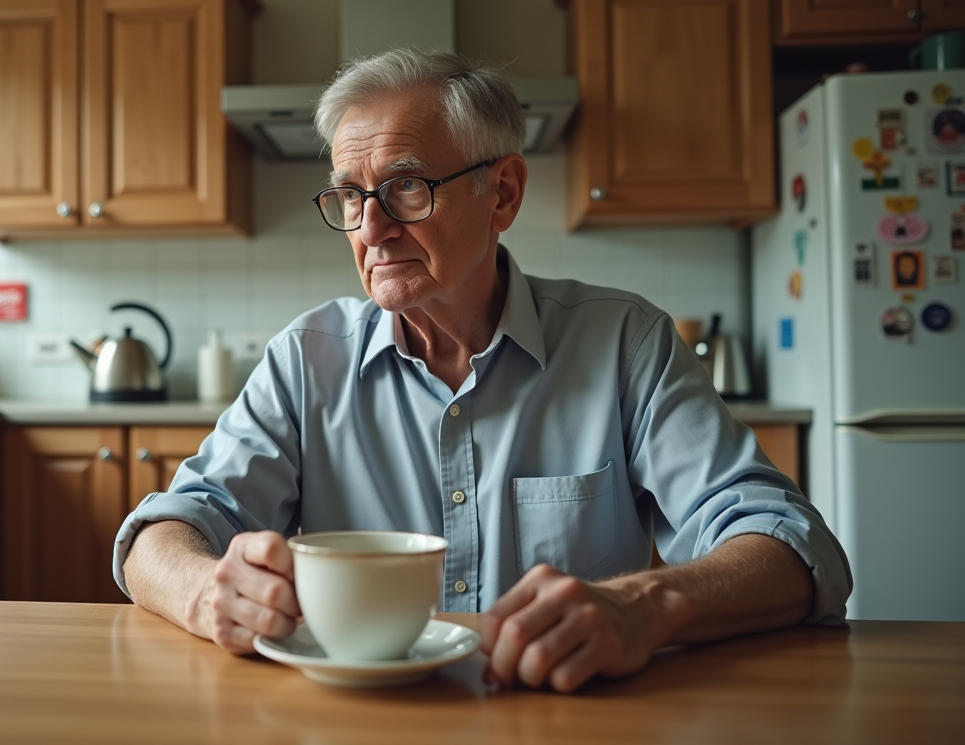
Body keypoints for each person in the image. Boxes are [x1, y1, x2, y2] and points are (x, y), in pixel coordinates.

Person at [116, 49, 851, 694]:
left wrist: (644, 606)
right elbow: (164, 531)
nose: (370, 230)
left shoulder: (624, 343)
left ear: (501, 193)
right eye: (349, 195)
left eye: (405, 186)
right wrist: (205, 590)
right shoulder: (306, 359)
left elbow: (792, 547)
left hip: (566, 718)